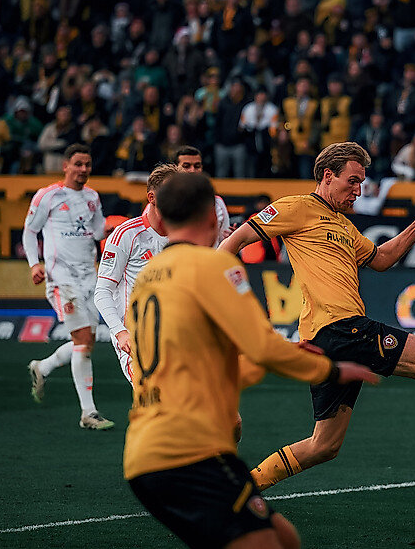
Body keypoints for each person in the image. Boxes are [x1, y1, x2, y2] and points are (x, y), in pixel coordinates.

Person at [220, 142, 415, 511]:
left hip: (327, 338)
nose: (358, 191)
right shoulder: (295, 207)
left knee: (323, 445)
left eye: (361, 183)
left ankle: (239, 491)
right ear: (327, 176)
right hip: (339, 327)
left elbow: (381, 259)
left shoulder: (344, 226)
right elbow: (234, 242)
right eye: (352, 181)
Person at [124, 172, 378, 549]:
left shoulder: (147, 278)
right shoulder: (214, 267)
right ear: (212, 218)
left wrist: (260, 361)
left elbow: (212, 364)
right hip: (188, 450)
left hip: (143, 450)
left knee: (284, 537)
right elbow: (262, 346)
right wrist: (331, 369)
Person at [24, 144, 111, 430]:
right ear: (65, 166)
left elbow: (97, 231)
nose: (83, 169)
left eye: (87, 164)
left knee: (85, 343)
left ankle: (43, 367)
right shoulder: (47, 195)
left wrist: (114, 227)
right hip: (61, 278)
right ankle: (88, 413)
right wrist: (34, 264)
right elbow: (30, 231)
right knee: (83, 341)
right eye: (78, 164)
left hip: (89, 277)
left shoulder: (92, 197)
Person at [94, 164, 178, 385]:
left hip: (173, 335)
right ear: (152, 197)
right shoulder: (126, 234)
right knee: (158, 398)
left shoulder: (184, 234)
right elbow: (102, 291)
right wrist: (120, 332)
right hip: (135, 337)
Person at [174, 146, 232, 245]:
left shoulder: (217, 203)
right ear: (175, 168)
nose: (192, 170)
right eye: (186, 166)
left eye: (197, 166)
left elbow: (223, 241)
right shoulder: (165, 202)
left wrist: (230, 238)